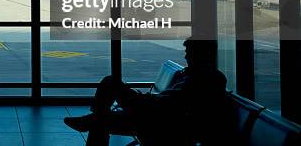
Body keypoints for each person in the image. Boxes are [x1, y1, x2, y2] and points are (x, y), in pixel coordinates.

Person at [64, 38, 227, 146]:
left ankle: (93, 117)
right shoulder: (199, 75)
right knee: (102, 114)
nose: (186, 56)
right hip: (156, 114)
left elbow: (172, 104)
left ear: (202, 55)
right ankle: (95, 116)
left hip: (158, 118)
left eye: (189, 53)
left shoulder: (203, 78)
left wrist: (144, 100)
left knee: (110, 84)